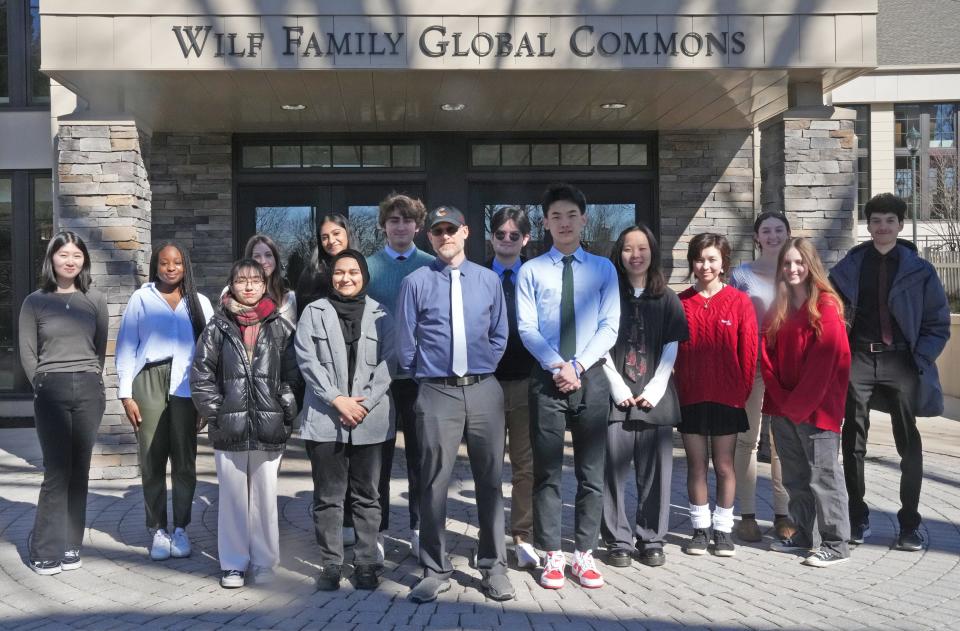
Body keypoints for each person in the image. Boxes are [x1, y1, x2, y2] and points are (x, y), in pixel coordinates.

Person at [396, 205, 514, 603]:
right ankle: (435, 566)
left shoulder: (487, 280)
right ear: (429, 237)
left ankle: (493, 565)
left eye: (451, 229)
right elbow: (406, 344)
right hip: (435, 391)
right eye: (437, 231)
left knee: (491, 480)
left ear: (465, 232)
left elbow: (500, 333)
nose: (445, 236)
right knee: (432, 481)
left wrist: (481, 369)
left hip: (483, 388)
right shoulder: (415, 282)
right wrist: (429, 376)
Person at [830, 193, 951, 551]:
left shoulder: (921, 270)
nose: (883, 227)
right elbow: (831, 315)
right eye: (876, 221)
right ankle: (857, 515)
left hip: (902, 361)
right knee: (852, 441)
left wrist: (921, 359)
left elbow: (938, 323)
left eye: (890, 221)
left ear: (900, 224)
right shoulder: (848, 268)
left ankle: (910, 524)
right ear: (867, 225)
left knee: (908, 442)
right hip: (859, 359)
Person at [516, 183, 620, 590]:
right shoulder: (531, 270)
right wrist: (559, 365)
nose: (563, 222)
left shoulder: (603, 269)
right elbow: (526, 327)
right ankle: (552, 556)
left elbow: (610, 325)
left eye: (571, 215)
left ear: (584, 219)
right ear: (545, 223)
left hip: (590, 377)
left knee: (591, 472)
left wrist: (577, 364)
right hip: (547, 378)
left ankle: (584, 554)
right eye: (555, 216)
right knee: (547, 473)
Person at [191, 258, 299, 589]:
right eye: (241, 280)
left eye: (255, 280)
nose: (249, 285)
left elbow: (293, 374)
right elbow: (201, 374)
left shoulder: (279, 326)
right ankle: (234, 564)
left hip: (269, 425)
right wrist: (217, 412)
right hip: (230, 427)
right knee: (234, 498)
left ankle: (265, 562)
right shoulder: (218, 326)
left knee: (265, 499)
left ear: (265, 285)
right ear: (232, 285)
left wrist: (286, 407)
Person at [296, 250, 395, 592]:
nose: (346, 278)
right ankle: (331, 563)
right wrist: (337, 400)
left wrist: (362, 405)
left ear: (364, 276)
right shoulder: (314, 312)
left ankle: (366, 562)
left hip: (370, 419)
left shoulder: (383, 313)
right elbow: (307, 361)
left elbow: (389, 363)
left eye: (353, 271)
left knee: (367, 495)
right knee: (328, 496)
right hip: (325, 418)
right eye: (340, 272)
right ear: (331, 276)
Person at [115, 241, 213, 561]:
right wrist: (126, 393)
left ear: (186, 266)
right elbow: (127, 346)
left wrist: (205, 400)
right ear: (155, 265)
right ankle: (157, 528)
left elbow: (210, 353)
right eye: (164, 263)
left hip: (187, 384)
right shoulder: (142, 298)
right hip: (149, 382)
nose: (171, 268)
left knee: (184, 460)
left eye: (177, 263)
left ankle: (181, 528)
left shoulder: (200, 303)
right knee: (152, 458)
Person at [18, 231, 108, 575]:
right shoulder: (34, 301)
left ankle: (71, 544)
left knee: (79, 471)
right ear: (51, 259)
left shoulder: (94, 300)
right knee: (57, 471)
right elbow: (27, 352)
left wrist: (92, 379)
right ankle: (44, 547)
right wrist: (40, 383)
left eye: (77, 256)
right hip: (50, 388)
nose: (70, 261)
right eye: (63, 255)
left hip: (87, 387)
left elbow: (98, 347)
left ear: (84, 261)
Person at [600, 225, 688, 569]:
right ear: (618, 254)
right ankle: (617, 539)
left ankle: (651, 537)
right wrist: (617, 387)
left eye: (641, 248)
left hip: (656, 397)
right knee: (612, 472)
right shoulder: (606, 294)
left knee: (655, 475)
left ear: (652, 251)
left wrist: (654, 389)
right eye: (627, 249)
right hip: (614, 397)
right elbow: (600, 343)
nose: (635, 255)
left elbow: (671, 346)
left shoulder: (667, 298)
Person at [763, 238, 852, 567]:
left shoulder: (826, 305)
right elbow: (766, 356)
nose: (792, 269)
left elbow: (825, 366)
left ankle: (836, 542)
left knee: (823, 476)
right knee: (795, 477)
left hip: (817, 410)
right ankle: (803, 533)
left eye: (799, 262)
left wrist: (796, 405)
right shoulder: (780, 306)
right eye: (786, 263)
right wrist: (783, 400)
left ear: (811, 265)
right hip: (783, 408)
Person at [675, 233, 757, 558]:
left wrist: (740, 392)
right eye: (699, 259)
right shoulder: (680, 302)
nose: (705, 265)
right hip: (691, 397)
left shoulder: (739, 302)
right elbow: (673, 354)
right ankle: (699, 528)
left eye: (712, 259)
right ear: (692, 263)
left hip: (727, 397)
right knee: (696, 465)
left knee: (724, 466)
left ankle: (723, 530)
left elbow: (748, 353)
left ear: (723, 262)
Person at [365, 193, 434, 557]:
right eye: (393, 220)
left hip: (421, 377)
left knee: (421, 458)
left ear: (418, 226)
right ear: (383, 225)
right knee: (379, 459)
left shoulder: (432, 266)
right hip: (380, 379)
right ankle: (377, 531)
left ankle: (420, 528)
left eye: (407, 220)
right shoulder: (369, 267)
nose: (400, 226)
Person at [729, 212, 795, 543]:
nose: (772, 235)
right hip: (752, 364)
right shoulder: (741, 275)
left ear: (787, 234)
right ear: (756, 237)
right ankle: (748, 514)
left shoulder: (796, 271)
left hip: (786, 367)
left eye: (778, 230)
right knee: (748, 439)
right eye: (765, 231)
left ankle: (783, 514)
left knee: (781, 441)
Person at [485, 206, 539, 569]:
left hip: (525, 381)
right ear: (491, 237)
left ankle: (522, 536)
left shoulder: (535, 275)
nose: (507, 240)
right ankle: (489, 537)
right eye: (500, 234)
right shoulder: (476, 276)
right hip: (485, 382)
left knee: (524, 464)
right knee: (487, 465)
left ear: (526, 238)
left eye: (514, 235)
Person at [295, 215, 358, 318]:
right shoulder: (312, 272)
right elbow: (302, 313)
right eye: (325, 237)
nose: (331, 241)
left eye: (336, 233)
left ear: (348, 234)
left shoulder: (362, 268)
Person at [243, 234, 297, 325]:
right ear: (249, 261)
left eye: (268, 255)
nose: (263, 261)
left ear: (275, 259)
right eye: (257, 256)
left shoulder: (291, 299)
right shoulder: (234, 293)